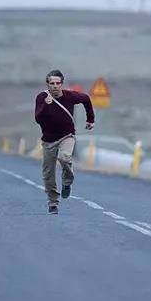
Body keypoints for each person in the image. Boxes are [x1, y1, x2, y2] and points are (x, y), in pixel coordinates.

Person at [34, 69, 94, 214]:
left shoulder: (70, 96)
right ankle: (53, 202)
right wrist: (46, 106)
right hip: (48, 140)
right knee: (48, 174)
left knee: (65, 157)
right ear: (48, 84)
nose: (55, 86)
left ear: (62, 84)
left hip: (67, 136)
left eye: (57, 83)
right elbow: (38, 119)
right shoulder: (42, 98)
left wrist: (90, 119)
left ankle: (67, 183)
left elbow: (86, 99)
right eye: (52, 83)